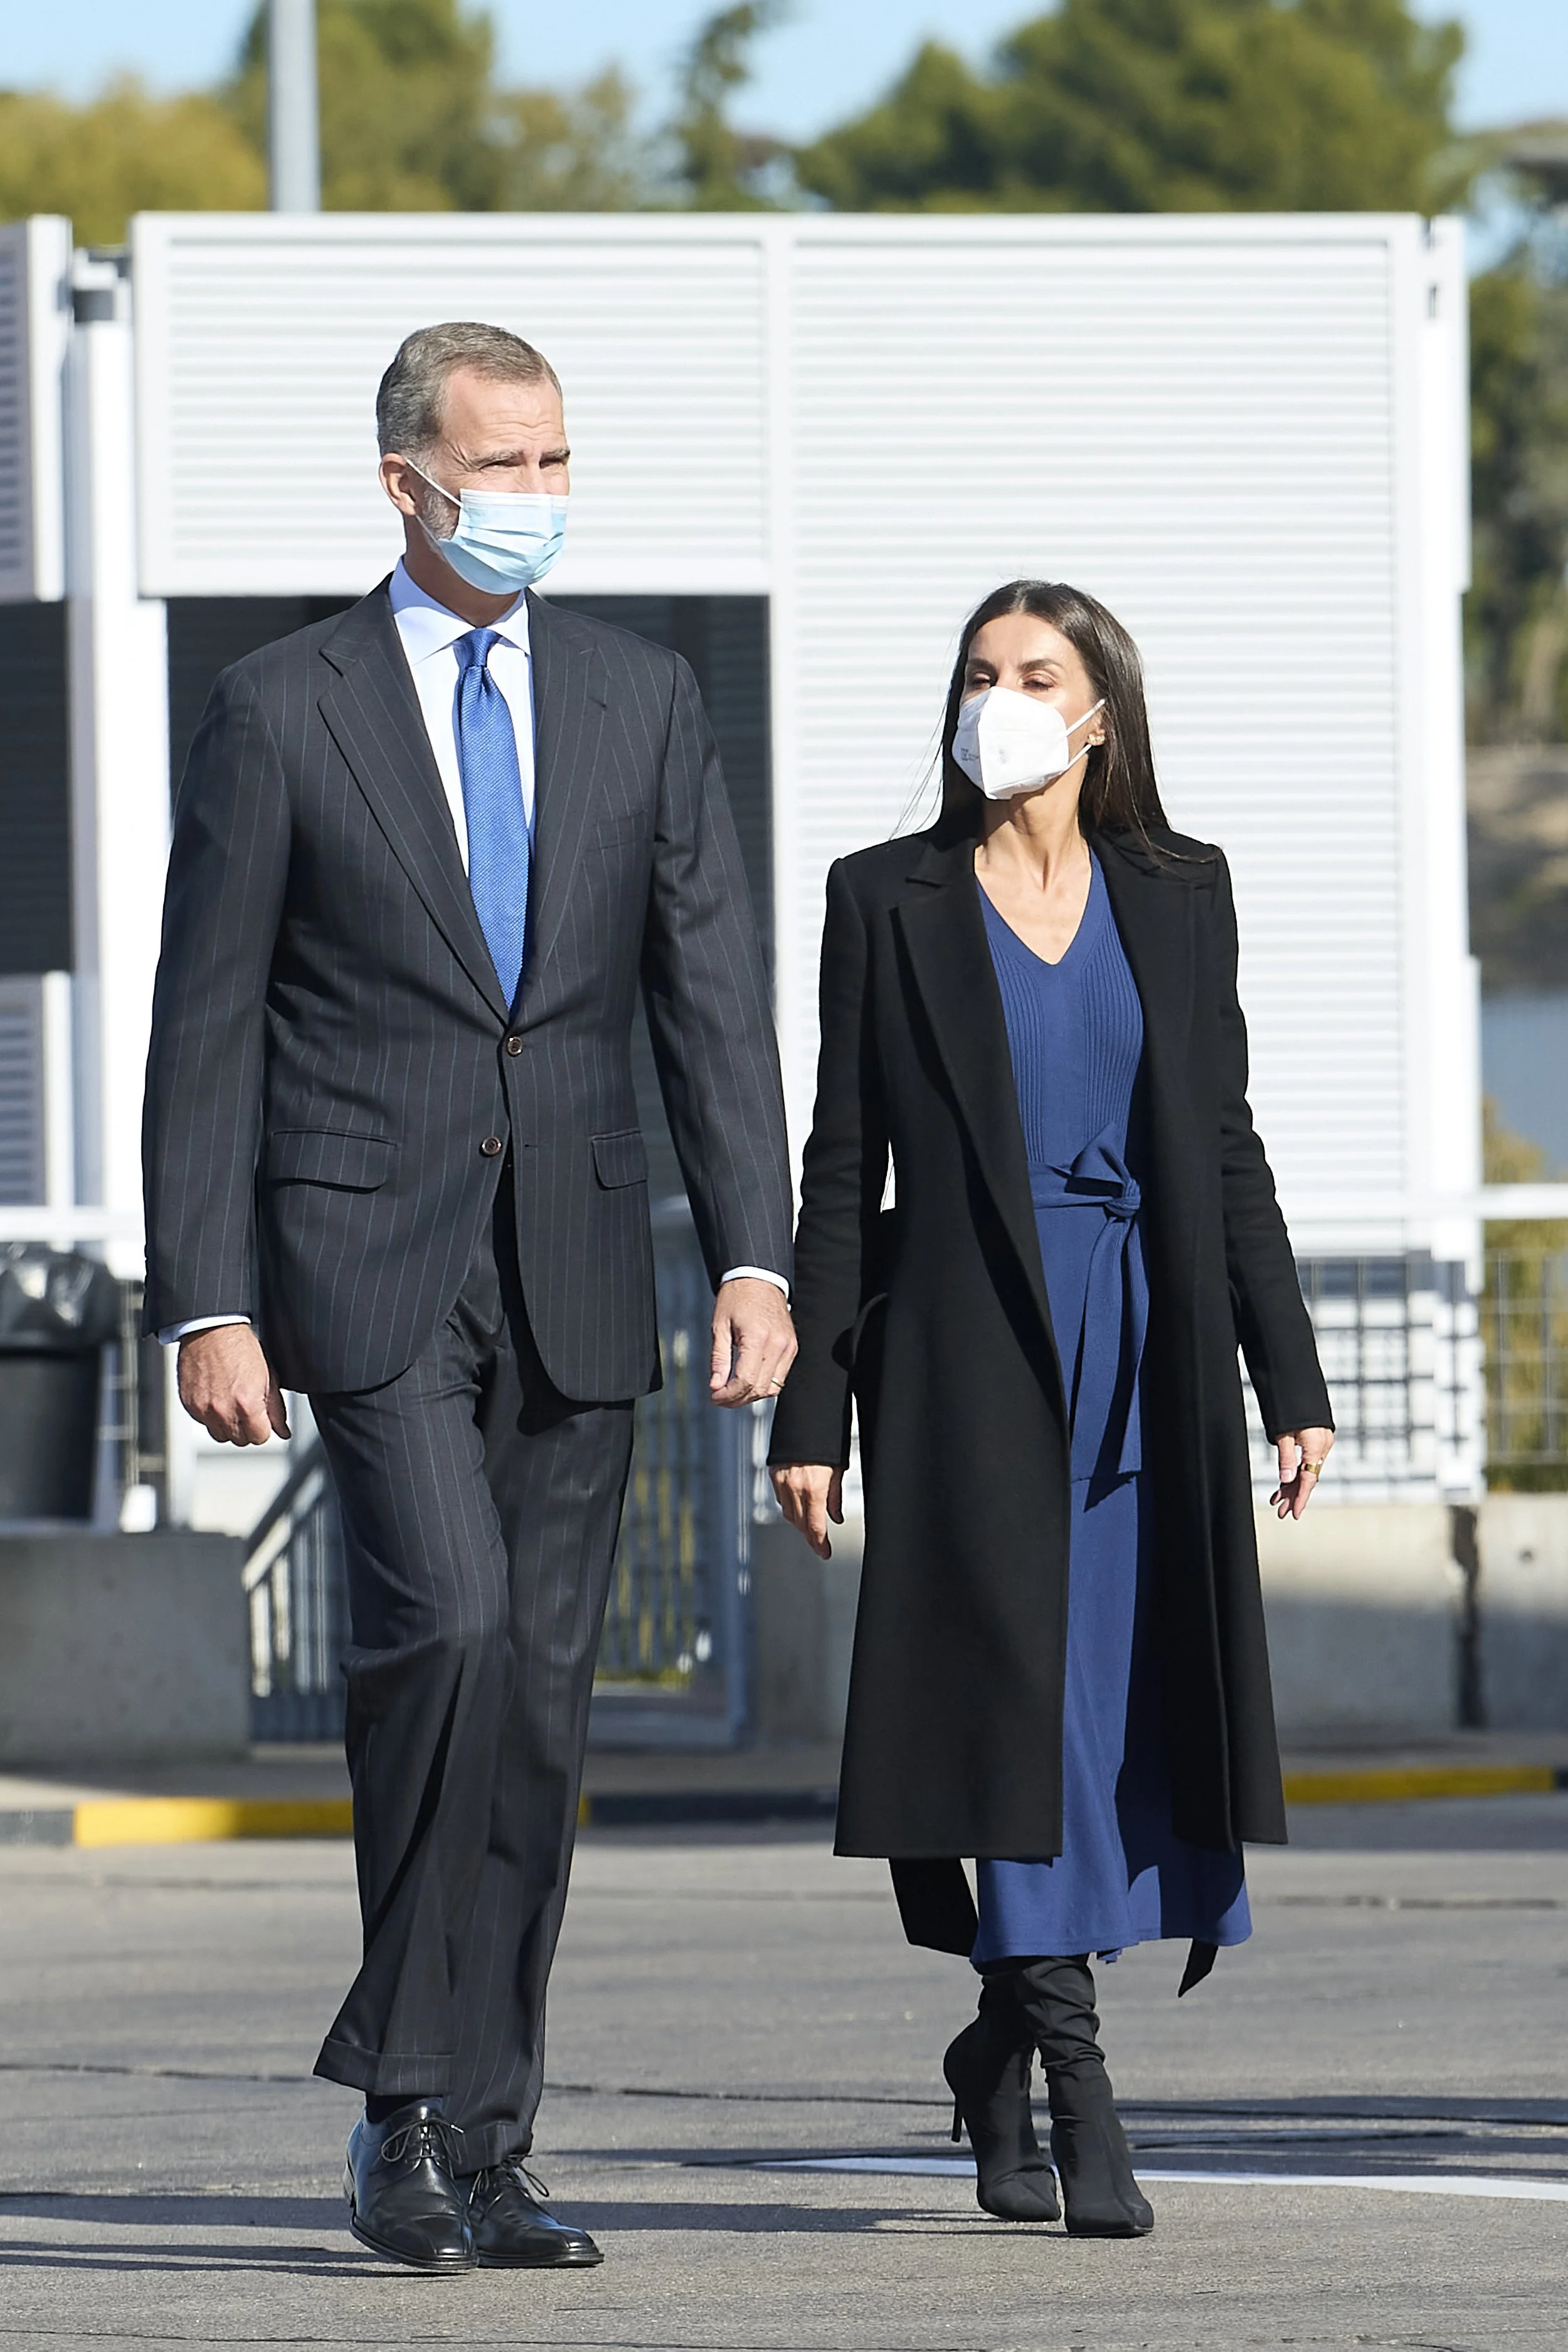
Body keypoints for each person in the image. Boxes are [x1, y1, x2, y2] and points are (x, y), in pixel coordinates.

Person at [142, 322, 795, 2274]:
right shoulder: (281, 707)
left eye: (555, 460)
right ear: (404, 483)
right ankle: (398, 2094)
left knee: (536, 1700)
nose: (535, 497)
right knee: (449, 1625)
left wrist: (757, 1250)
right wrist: (206, 1297)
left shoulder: (641, 695)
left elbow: (711, 992)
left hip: (585, 1254)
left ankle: (481, 2140)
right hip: (364, 1255)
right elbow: (208, 1020)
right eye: (500, 465)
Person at [768, 580, 1333, 2240]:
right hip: (959, 1356)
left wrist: (1282, 1373)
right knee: (1010, 1716)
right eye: (975, 674)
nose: (996, 698)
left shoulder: (1178, 890)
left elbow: (1222, 1148)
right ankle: (1078, 2079)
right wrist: (814, 1401)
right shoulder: (886, 897)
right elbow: (836, 1164)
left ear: (1098, 712)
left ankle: (992, 2050)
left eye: (1033, 673)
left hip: (1144, 1354)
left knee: (1113, 1727)